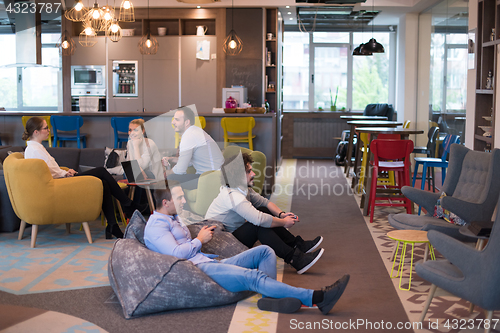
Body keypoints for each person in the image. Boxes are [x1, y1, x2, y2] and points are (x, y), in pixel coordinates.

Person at [144, 181, 350, 314]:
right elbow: (176, 254)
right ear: (165, 202)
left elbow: (263, 206)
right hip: (198, 270)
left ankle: (270, 297)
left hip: (208, 261)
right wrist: (199, 239)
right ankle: (317, 298)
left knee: (265, 251)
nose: (183, 200)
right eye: (179, 198)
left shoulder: (172, 217)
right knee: (254, 277)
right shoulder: (156, 227)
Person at [22, 117, 146, 239]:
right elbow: (47, 172)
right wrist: (64, 173)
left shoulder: (37, 148)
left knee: (104, 183)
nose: (49, 130)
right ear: (36, 132)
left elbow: (49, 169)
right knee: (101, 171)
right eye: (45, 128)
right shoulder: (34, 150)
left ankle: (112, 225)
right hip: (59, 184)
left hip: (61, 180)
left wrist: (65, 171)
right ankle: (128, 204)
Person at [205, 152, 324, 274]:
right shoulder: (232, 196)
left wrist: (281, 214)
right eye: (249, 171)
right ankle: (295, 259)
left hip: (229, 235)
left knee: (263, 211)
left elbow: (265, 203)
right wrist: (283, 223)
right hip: (220, 245)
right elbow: (259, 220)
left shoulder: (242, 189)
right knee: (258, 225)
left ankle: (297, 245)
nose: (254, 174)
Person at [162, 106, 224, 190]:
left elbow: (180, 170)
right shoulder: (194, 131)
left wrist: (166, 173)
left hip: (211, 178)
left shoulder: (189, 135)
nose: (173, 122)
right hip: (213, 176)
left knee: (171, 178)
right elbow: (189, 160)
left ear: (187, 122)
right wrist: (171, 159)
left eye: (177, 120)